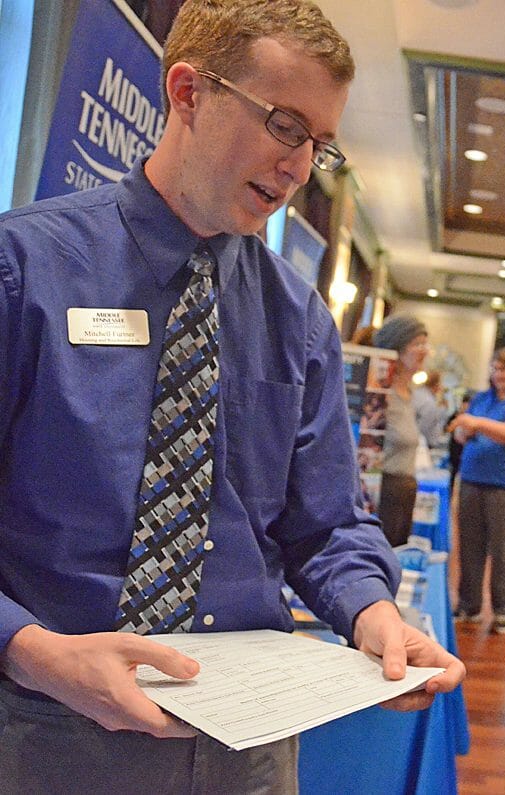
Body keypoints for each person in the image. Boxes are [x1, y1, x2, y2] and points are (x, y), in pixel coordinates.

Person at [0, 2, 464, 791]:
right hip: (47, 730)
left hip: (249, 748)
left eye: (318, 145)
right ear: (188, 93)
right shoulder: (26, 268)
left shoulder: (298, 316)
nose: (298, 167)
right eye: (285, 126)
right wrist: (31, 650)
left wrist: (372, 613)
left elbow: (326, 522)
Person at [449, 348, 505, 635]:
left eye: (504, 368)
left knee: (504, 551)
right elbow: (460, 433)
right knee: (470, 547)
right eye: (495, 368)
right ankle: (469, 606)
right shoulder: (481, 399)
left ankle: (503, 611)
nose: (499, 374)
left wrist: (476, 424)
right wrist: (466, 429)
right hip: (472, 481)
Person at [373, 314, 429, 546]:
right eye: (417, 344)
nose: (425, 351)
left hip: (405, 491)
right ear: (397, 347)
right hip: (385, 493)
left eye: (425, 344)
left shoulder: (410, 395)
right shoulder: (382, 397)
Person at [413, 369, 447, 449]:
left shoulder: (417, 393)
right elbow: (424, 428)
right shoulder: (429, 402)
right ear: (436, 384)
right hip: (421, 443)